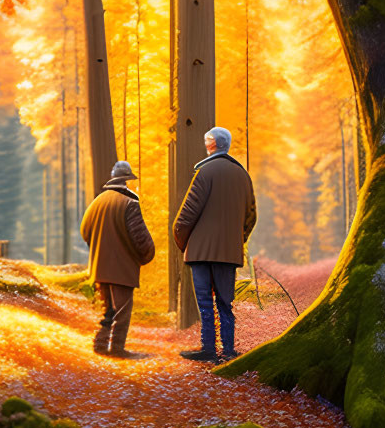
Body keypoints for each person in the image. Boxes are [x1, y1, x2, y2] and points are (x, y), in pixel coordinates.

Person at [173, 127, 257, 362]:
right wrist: (237, 240)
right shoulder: (243, 176)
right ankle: (228, 350)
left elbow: (186, 217)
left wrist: (184, 243)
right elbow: (251, 216)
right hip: (229, 253)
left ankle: (209, 348)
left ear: (211, 145)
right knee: (225, 302)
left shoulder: (204, 172)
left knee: (205, 303)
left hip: (200, 252)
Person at [80, 160, 155, 358]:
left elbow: (84, 230)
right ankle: (117, 349)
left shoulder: (98, 201)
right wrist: (146, 256)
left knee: (108, 310)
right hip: (122, 267)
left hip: (100, 266)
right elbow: (140, 238)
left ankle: (100, 344)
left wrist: (98, 249)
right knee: (122, 310)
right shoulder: (130, 204)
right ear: (127, 181)